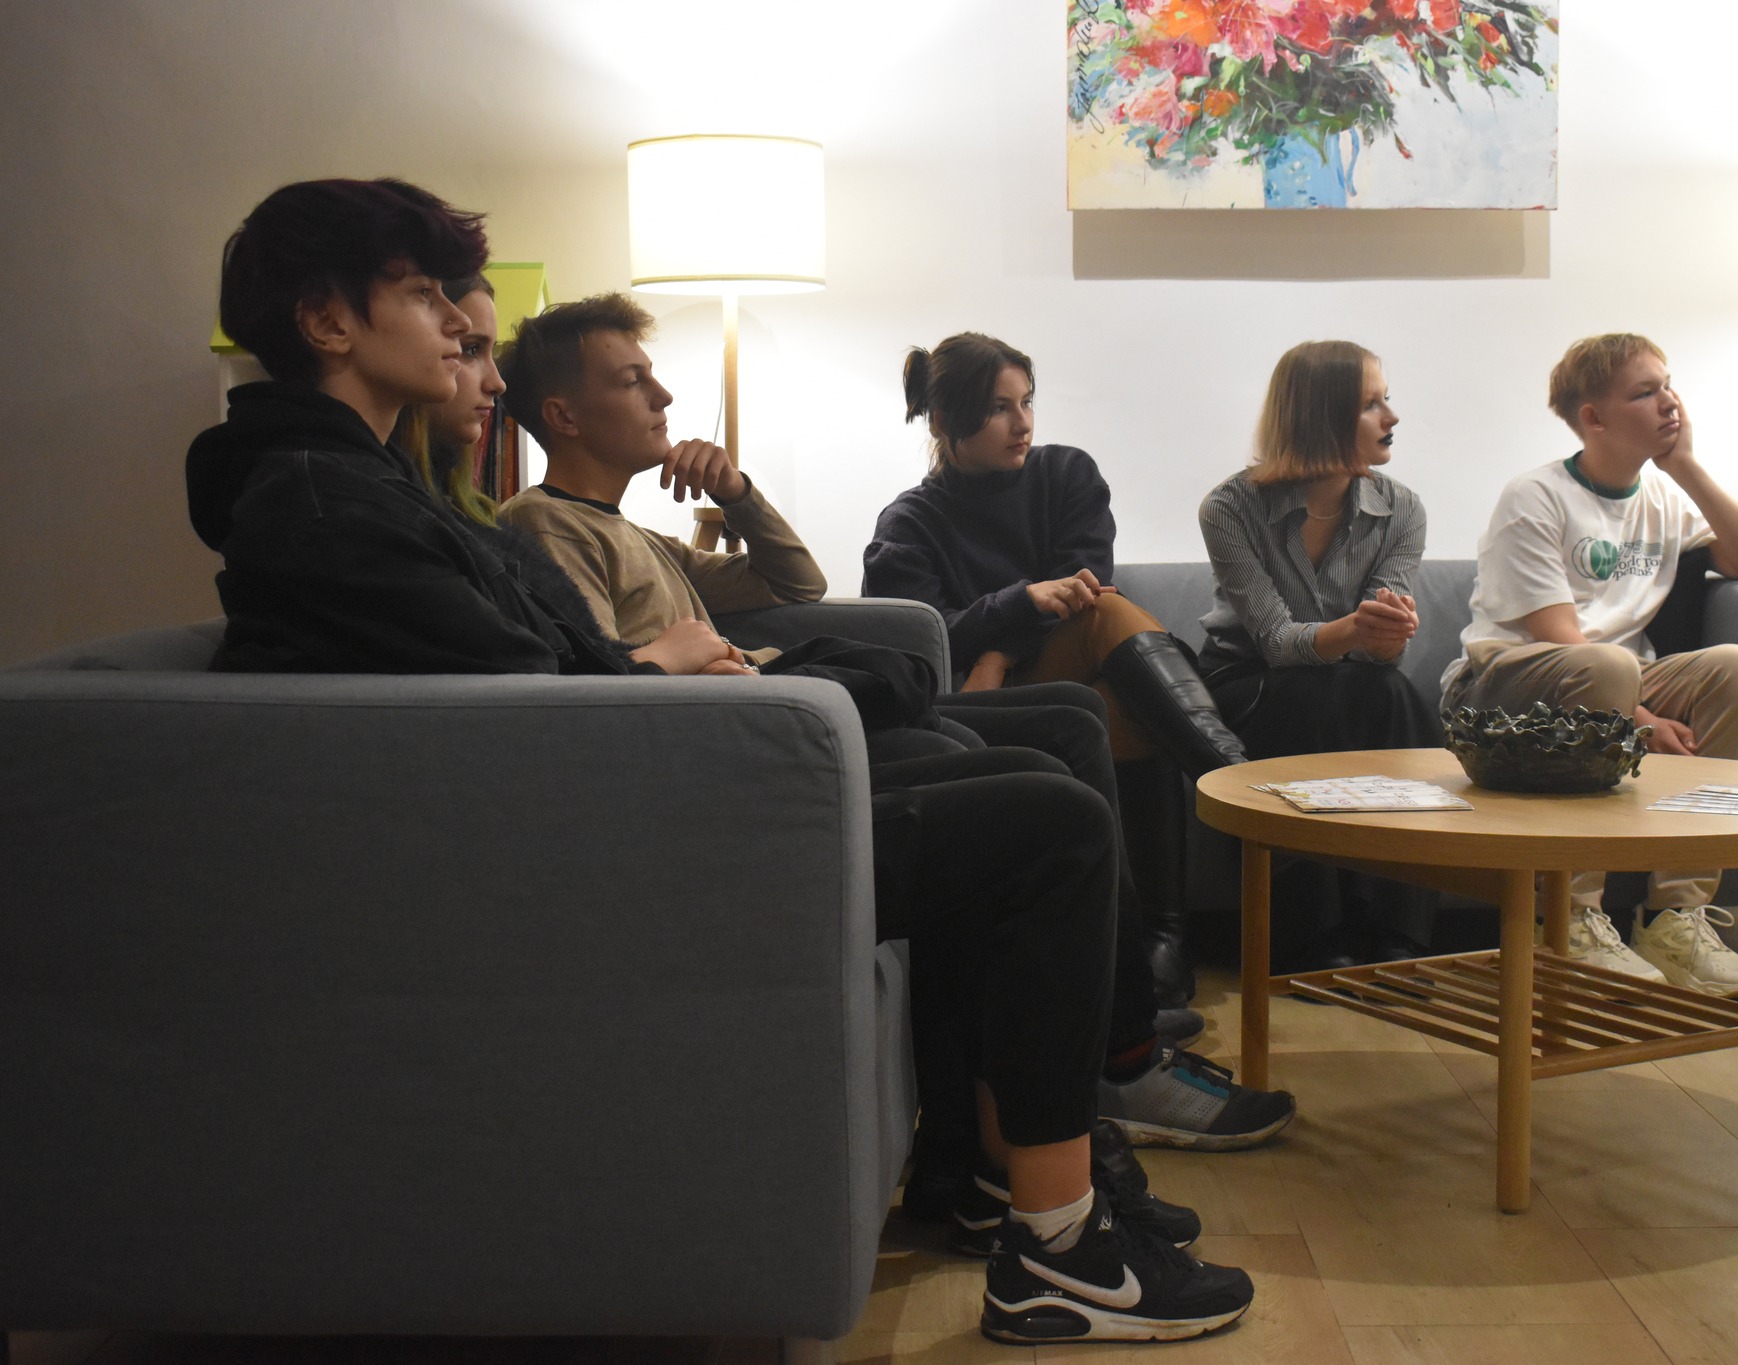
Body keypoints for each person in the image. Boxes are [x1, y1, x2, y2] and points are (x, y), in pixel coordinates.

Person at [187, 177, 1253, 1345]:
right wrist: (665, 671)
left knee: (1034, 781)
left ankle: (1016, 1178)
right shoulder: (323, 503)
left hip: (641, 789)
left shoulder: (366, 486)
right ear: (326, 320)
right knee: (1049, 827)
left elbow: (549, 674)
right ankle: (1059, 1250)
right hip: (630, 832)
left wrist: (671, 658)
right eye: (420, 294)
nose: (454, 324)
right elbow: (526, 716)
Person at [485, 297, 1295, 1184]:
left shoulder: (638, 532)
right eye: (634, 379)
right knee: (1041, 760)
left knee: (1070, 715)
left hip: (802, 705)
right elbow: (602, 689)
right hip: (772, 734)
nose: (665, 395)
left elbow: (796, 582)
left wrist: (739, 494)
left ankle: (1118, 1025)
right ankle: (1122, 1042)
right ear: (563, 414)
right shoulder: (544, 524)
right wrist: (676, 656)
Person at [863, 333, 1248, 1004]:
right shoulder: (909, 523)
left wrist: (997, 649)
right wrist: (1018, 602)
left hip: (1033, 673)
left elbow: (1082, 584)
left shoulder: (1066, 474)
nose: (1024, 423)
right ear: (946, 421)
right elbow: (920, 641)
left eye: (1028, 401)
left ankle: (1155, 940)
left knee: (1111, 660)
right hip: (972, 702)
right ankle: (1241, 785)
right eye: (999, 408)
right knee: (1107, 618)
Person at [1443, 333, 1738, 999]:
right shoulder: (1535, 496)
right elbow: (1558, 637)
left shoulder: (1662, 498)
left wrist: (1686, 468)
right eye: (1645, 392)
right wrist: (1639, 720)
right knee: (1605, 665)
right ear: (1593, 418)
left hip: (1614, 677)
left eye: (1668, 385)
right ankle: (1570, 920)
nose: (1670, 402)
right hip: (1499, 690)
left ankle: (1675, 918)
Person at [1195, 340, 1442, 970]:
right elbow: (1277, 642)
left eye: (1387, 399)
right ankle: (1309, 934)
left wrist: (1386, 638)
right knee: (1309, 694)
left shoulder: (1402, 510)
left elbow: (1378, 649)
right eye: (1371, 404)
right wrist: (1358, 631)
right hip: (1248, 677)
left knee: (1392, 693)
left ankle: (1398, 930)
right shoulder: (1228, 508)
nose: (1391, 416)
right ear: (1320, 416)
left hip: (1350, 676)